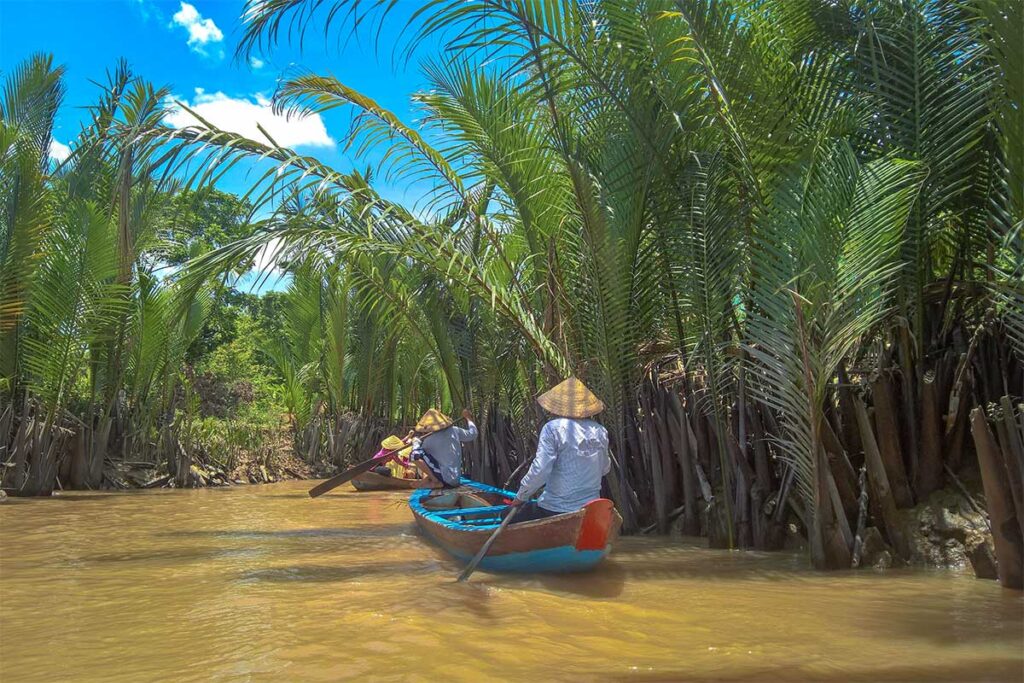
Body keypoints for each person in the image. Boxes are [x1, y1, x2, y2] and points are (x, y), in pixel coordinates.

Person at [505, 377, 611, 522]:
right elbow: (605, 469)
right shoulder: (600, 431)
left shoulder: (553, 428)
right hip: (591, 508)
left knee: (505, 515)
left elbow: (540, 469)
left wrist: (520, 497)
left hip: (556, 509)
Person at [412, 408, 478, 488]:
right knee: (432, 460)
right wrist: (468, 418)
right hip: (455, 479)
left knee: (413, 455)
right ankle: (428, 480)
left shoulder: (428, 441)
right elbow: (473, 434)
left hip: (445, 479)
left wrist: (416, 443)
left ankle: (435, 481)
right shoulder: (455, 430)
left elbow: (416, 456)